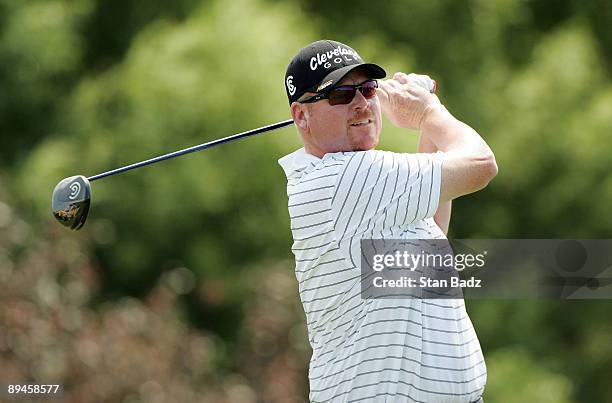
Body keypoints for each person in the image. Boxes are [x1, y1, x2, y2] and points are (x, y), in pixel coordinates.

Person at [279, 40, 497, 403]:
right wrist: (429, 113)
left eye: (367, 89)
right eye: (340, 95)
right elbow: (480, 165)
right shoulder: (345, 179)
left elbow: (428, 235)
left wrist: (428, 121)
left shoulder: (351, 185)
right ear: (301, 116)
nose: (362, 103)